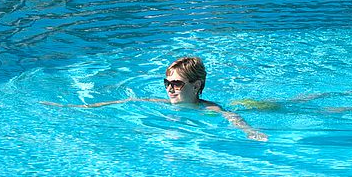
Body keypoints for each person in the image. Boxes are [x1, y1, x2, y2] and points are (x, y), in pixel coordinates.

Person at [42, 56, 269, 142]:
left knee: (266, 106)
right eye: (167, 83)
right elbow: (128, 102)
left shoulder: (209, 109)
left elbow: (232, 117)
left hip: (248, 108)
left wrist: (249, 131)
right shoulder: (160, 103)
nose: (170, 89)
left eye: (177, 83)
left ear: (196, 85)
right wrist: (76, 107)